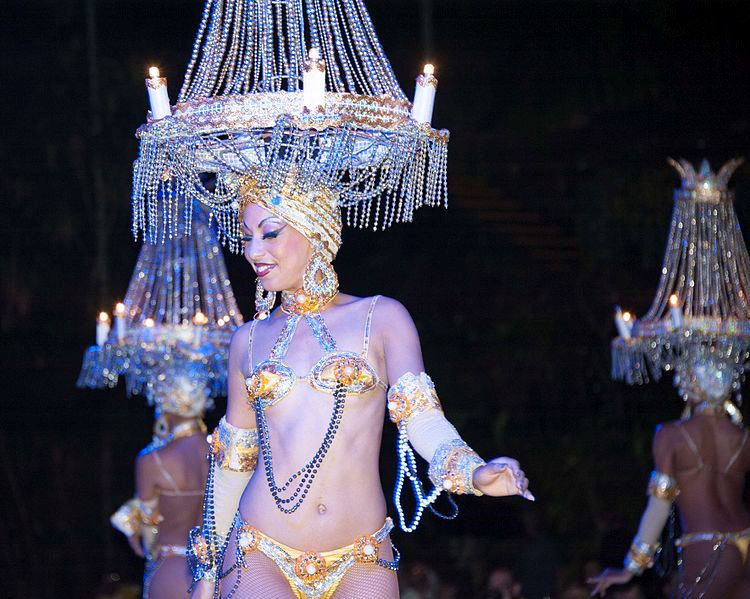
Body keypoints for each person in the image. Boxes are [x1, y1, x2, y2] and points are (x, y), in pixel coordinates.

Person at [188, 168, 534, 598]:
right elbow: (233, 460)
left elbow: (421, 418)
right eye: (246, 237)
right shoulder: (248, 339)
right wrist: (207, 572)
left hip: (362, 554)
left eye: (270, 233)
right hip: (259, 549)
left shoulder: (380, 318)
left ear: (316, 229)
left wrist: (473, 473)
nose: (254, 251)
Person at [588, 353, 750, 598]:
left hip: (707, 544)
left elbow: (660, 505)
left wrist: (631, 568)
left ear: (689, 383)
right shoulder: (743, 437)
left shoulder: (671, 436)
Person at [112, 371, 211, 598]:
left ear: (165, 404)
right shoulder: (222, 452)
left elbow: (149, 528)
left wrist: (141, 536)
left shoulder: (152, 460)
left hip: (171, 569)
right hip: (217, 571)